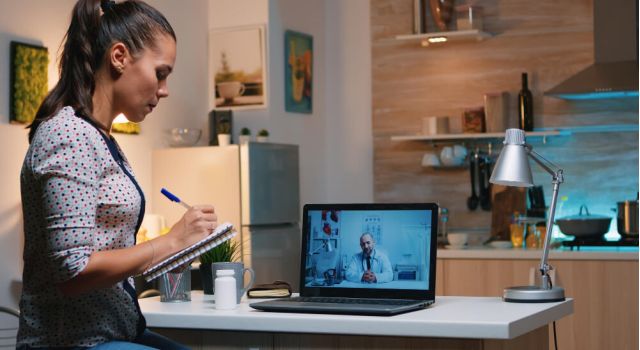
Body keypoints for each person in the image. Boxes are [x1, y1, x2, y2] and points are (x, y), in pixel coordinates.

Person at [17, 1, 217, 348]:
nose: (165, 89)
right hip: (73, 342)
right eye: (161, 72)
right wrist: (170, 240)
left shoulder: (101, 137)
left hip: (115, 330)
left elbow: (106, 249)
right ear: (120, 57)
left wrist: (175, 250)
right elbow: (73, 271)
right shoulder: (68, 136)